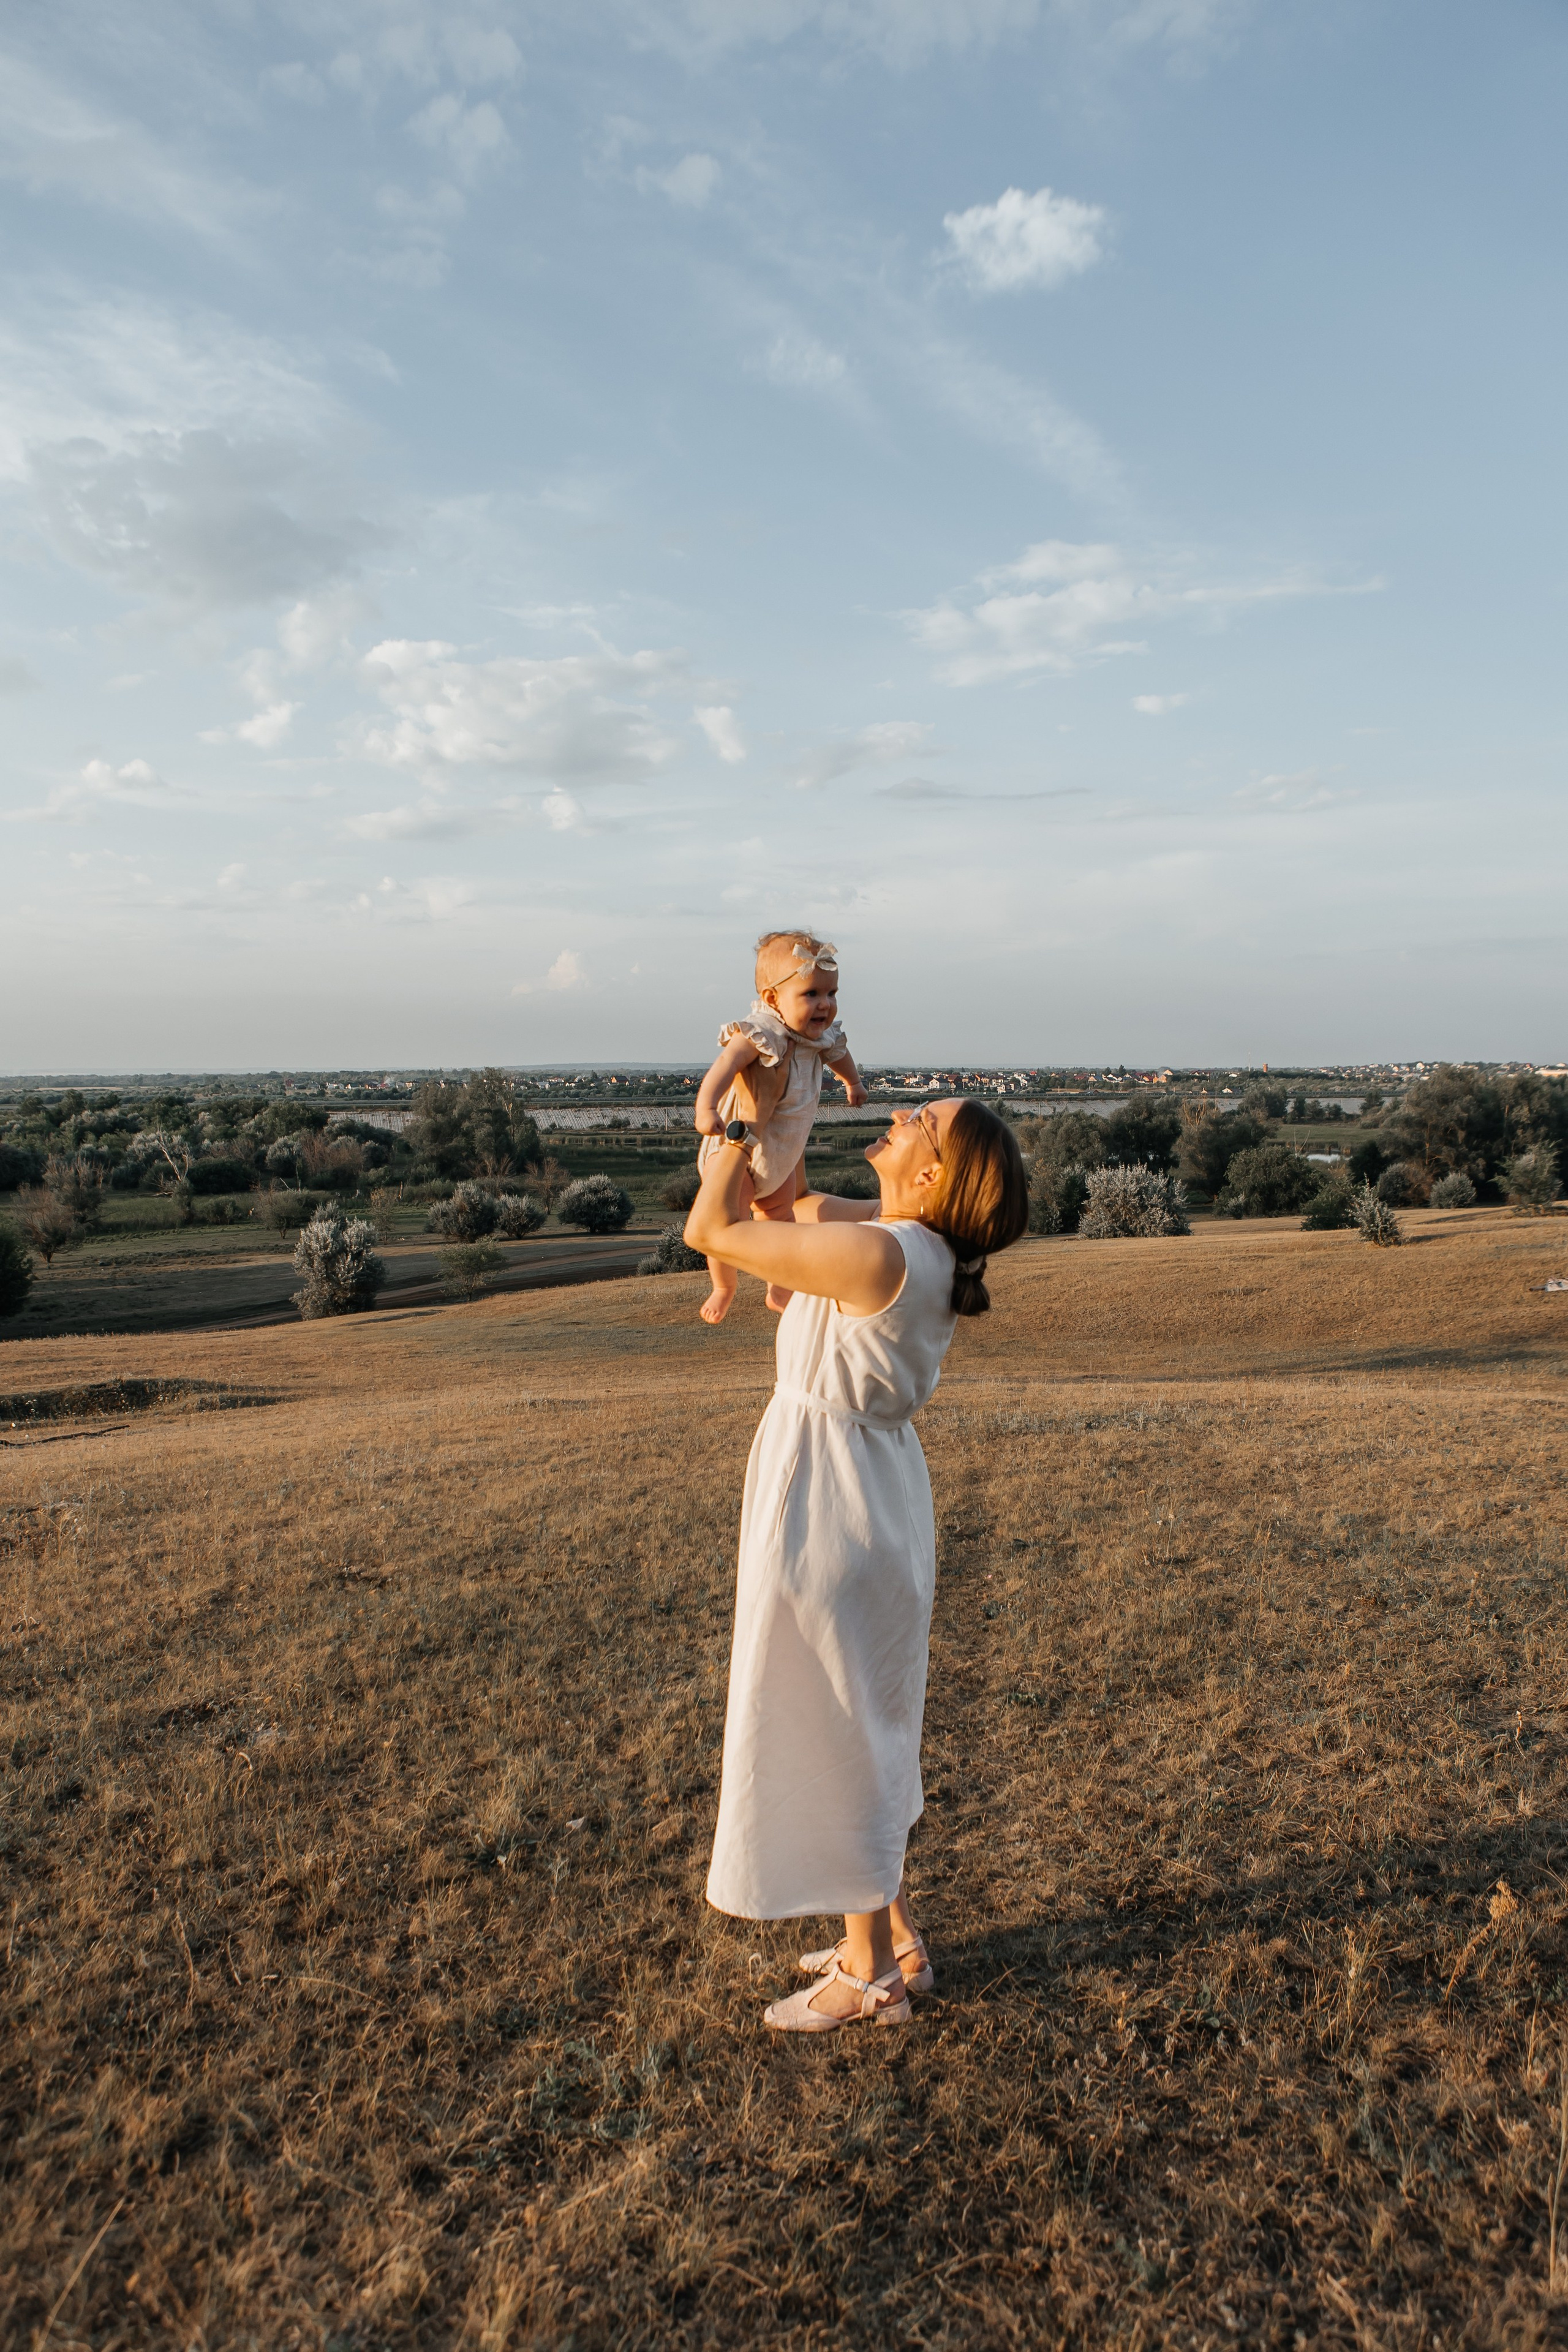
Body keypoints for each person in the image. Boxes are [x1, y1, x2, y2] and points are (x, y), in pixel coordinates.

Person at [684, 1096, 1029, 2031]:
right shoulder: (901, 1242)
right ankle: (897, 1938)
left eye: (923, 1120)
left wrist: (729, 1138)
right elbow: (783, 1207)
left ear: (933, 1177)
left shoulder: (884, 1254)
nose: (902, 1113)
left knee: (840, 1727)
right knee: (863, 1718)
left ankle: (869, 1974)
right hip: (870, 1487)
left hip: (830, 1498)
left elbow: (711, 1227)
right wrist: (777, 1099)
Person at [692, 931, 867, 1325]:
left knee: (782, 1219)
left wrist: (852, 1082)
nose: (825, 1005)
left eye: (832, 993)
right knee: (728, 1226)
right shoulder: (762, 1031)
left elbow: (841, 1055)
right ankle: (724, 1286)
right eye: (811, 994)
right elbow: (723, 1068)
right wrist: (705, 1108)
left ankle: (780, 1285)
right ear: (773, 999)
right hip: (737, 1154)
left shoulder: (820, 1037)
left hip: (780, 1155)